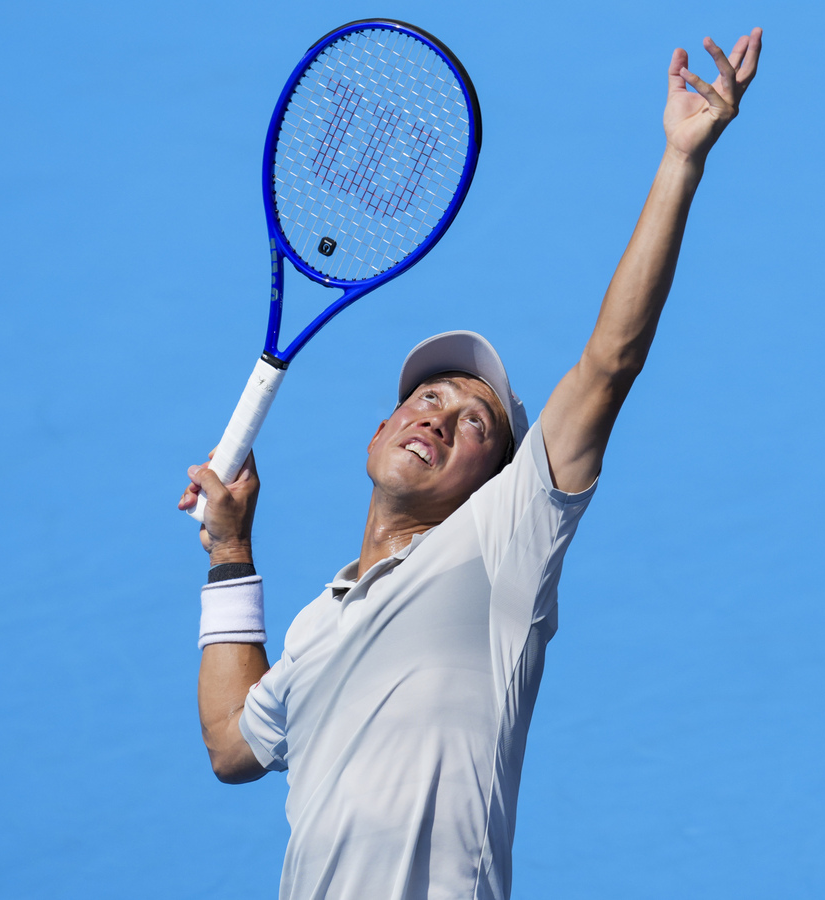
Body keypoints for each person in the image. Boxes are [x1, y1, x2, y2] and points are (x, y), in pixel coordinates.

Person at [176, 29, 763, 900]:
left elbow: (609, 366)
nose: (439, 416)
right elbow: (232, 744)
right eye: (427, 396)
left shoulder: (500, 550)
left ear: (499, 482)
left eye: (474, 421)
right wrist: (231, 554)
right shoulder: (315, 629)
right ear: (379, 432)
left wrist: (682, 160)